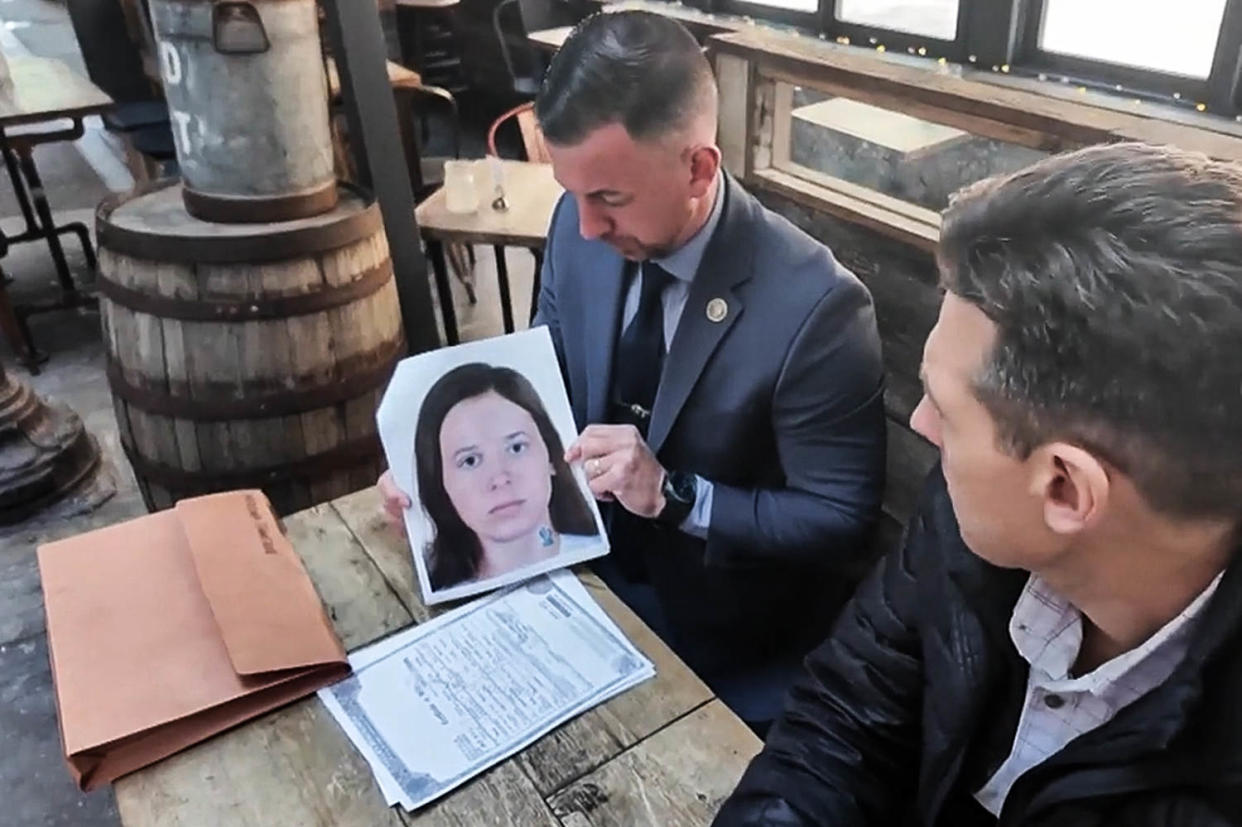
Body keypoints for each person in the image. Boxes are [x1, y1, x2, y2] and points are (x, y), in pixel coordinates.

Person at [382, 10, 887, 734]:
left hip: (730, 645)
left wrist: (676, 494)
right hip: (583, 579)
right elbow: (541, 383)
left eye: (610, 199)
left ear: (699, 168)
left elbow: (840, 521)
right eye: (572, 191)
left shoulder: (817, 307)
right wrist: (426, 470)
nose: (586, 226)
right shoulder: (577, 230)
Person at [714, 142, 1242, 826]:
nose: (921, 421)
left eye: (946, 406)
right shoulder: (969, 516)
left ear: (1064, 489)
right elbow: (848, 712)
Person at [412, 363, 599, 591]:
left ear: (551, 457)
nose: (500, 477)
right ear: (440, 484)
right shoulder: (434, 587)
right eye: (470, 460)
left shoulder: (607, 566)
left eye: (516, 447)